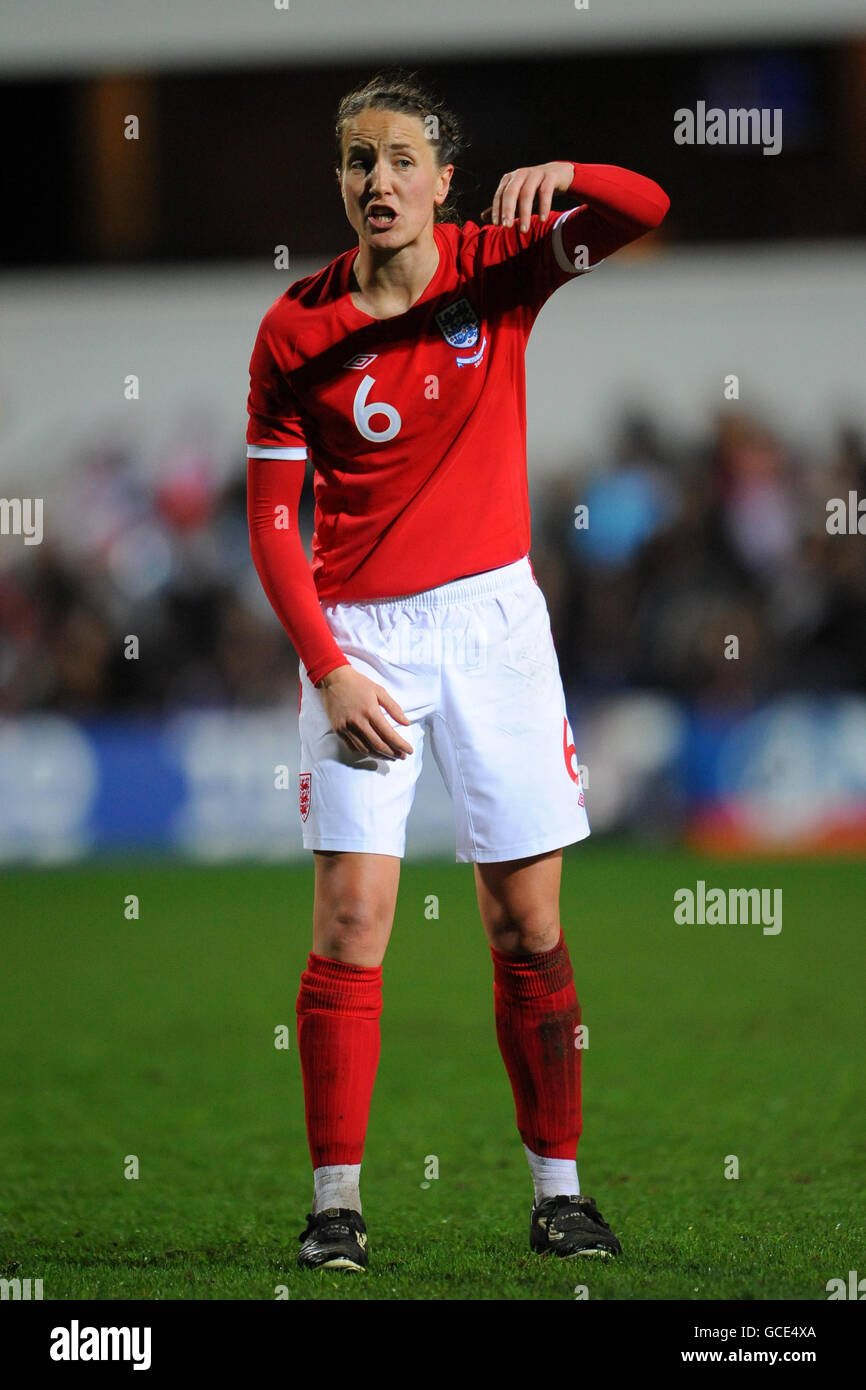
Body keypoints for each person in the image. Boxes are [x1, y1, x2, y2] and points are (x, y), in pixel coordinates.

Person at [246, 69, 670, 1271]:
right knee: (350, 918)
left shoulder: (503, 266)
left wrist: (572, 177)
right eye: (354, 162)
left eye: (397, 159)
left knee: (525, 920)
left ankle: (559, 1193)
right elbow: (274, 524)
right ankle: (336, 1207)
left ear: (442, 177)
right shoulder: (296, 329)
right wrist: (325, 666)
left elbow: (644, 204)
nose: (375, 181)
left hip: (493, 628)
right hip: (362, 640)